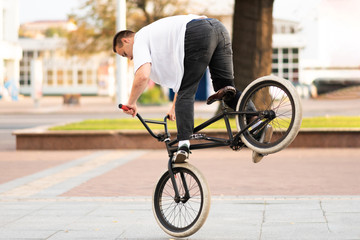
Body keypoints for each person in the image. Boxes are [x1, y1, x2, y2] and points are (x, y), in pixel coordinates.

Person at [113, 14, 272, 163]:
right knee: (225, 89)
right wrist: (176, 106)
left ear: (126, 41)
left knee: (187, 91)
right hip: (218, 29)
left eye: (124, 54)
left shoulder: (139, 38)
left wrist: (131, 102)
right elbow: (181, 79)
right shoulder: (158, 39)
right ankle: (256, 123)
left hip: (197, 32)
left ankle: (183, 144)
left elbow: (142, 75)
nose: (130, 58)